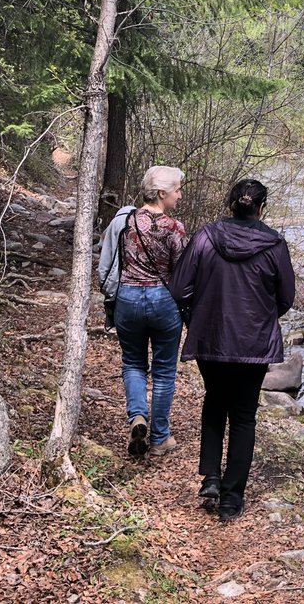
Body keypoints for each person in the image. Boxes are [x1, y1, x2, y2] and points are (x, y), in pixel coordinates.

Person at [170, 178, 296, 521]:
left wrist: (199, 312)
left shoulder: (205, 237)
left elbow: (180, 288)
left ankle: (211, 477)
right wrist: (261, 315)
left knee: (214, 400)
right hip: (253, 343)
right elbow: (286, 298)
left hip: (211, 337)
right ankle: (231, 500)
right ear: (261, 207)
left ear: (230, 204)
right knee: (243, 416)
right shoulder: (275, 244)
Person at [99, 165, 187, 458]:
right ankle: (160, 437)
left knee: (133, 363)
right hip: (163, 302)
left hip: (127, 299)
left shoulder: (124, 222)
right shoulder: (174, 229)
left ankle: (138, 416)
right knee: (163, 372)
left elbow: (108, 259)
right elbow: (183, 272)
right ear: (162, 193)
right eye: (177, 190)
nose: (180, 195)